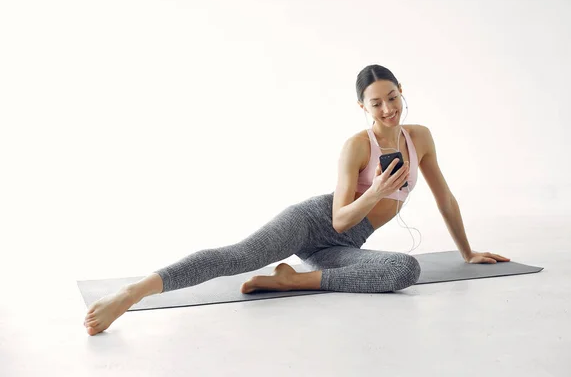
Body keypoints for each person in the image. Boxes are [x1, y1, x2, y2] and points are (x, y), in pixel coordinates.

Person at [83, 64, 510, 336]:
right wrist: (377, 191)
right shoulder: (356, 147)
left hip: (342, 248)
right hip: (314, 221)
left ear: (402, 90)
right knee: (239, 255)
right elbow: (341, 218)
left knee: (405, 269)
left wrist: (468, 252)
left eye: (392, 98)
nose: (387, 109)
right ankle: (131, 293)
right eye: (376, 103)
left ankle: (291, 281)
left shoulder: (420, 138)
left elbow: (445, 197)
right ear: (362, 106)